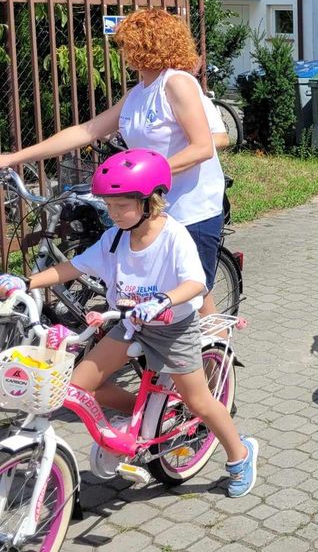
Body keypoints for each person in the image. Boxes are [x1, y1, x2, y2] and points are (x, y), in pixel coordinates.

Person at [0, 149, 258, 496]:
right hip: (129, 323)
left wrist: (164, 301)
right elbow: (74, 267)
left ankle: (239, 454)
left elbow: (196, 283)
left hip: (172, 328)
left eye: (122, 205)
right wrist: (27, 282)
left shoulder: (173, 236)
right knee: (76, 386)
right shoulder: (115, 238)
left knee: (197, 401)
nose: (113, 213)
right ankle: (146, 413)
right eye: (109, 205)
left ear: (150, 202)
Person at [0, 9, 227, 316]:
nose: (123, 53)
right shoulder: (137, 95)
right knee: (164, 297)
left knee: (194, 294)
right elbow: (86, 131)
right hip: (152, 210)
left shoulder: (176, 83)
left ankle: (215, 358)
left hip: (191, 209)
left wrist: (144, 177)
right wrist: (14, 158)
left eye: (127, 44)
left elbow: (203, 147)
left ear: (148, 44)